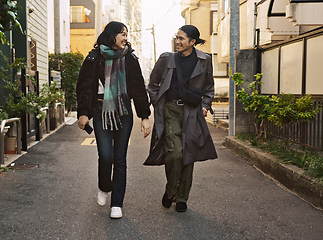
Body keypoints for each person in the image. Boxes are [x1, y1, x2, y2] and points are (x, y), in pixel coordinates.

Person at [76, 21, 151, 219]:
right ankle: (104, 186)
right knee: (106, 156)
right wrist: (83, 112)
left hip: (124, 112)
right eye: (122, 34)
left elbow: (138, 88)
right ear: (112, 36)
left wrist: (144, 116)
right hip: (101, 111)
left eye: (126, 34)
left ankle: (116, 203)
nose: (126, 38)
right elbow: (84, 86)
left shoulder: (130, 59)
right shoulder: (93, 58)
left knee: (120, 159)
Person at [144, 25, 218, 212]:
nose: (177, 41)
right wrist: (157, 103)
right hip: (170, 110)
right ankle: (171, 191)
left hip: (192, 111)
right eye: (177, 38)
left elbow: (209, 87)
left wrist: (205, 105)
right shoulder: (166, 59)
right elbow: (152, 84)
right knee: (175, 153)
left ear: (192, 42)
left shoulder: (205, 60)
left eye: (182, 38)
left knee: (188, 154)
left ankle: (182, 198)